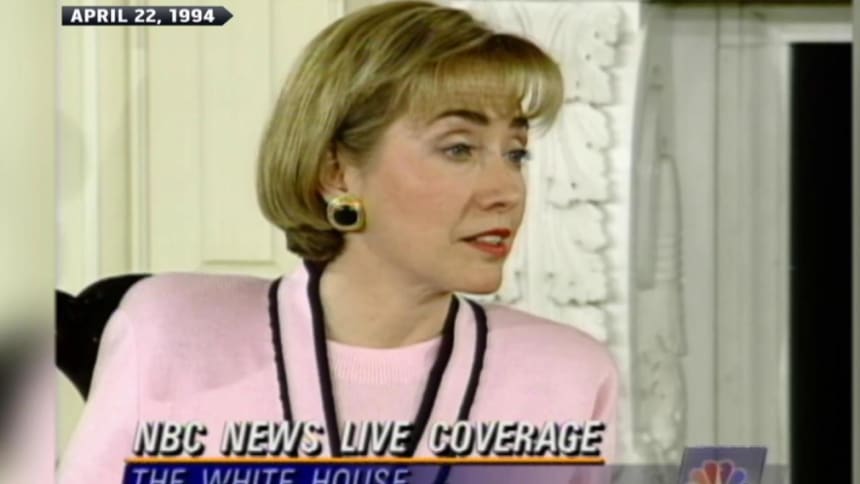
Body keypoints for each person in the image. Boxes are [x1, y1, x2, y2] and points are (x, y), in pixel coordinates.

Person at [58, 1, 619, 482]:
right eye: (459, 148)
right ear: (336, 173)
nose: (507, 191)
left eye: (516, 153)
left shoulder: (570, 374)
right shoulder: (171, 330)